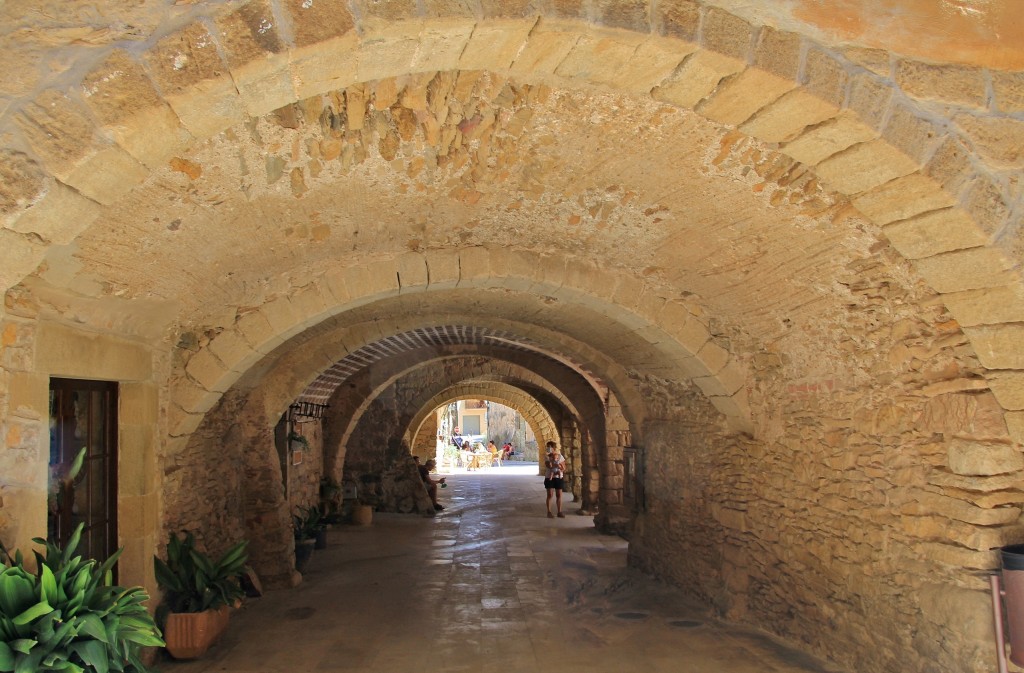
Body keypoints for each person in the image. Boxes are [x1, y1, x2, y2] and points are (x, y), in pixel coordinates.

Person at [543, 441, 566, 518]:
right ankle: (549, 511)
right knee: (550, 494)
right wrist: (556, 465)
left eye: (550, 446)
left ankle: (559, 511)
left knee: (559, 494)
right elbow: (548, 466)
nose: (549, 448)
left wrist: (559, 470)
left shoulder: (560, 456)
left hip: (558, 478)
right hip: (549, 477)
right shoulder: (547, 457)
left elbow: (564, 467)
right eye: (548, 446)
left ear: (554, 448)